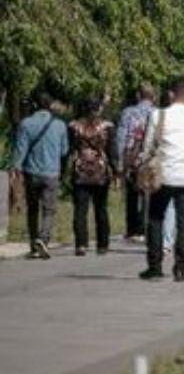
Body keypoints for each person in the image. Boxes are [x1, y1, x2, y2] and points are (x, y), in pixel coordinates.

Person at [138, 79, 184, 282]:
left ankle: (155, 265)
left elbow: (148, 144)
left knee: (156, 218)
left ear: (170, 94)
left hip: (163, 175)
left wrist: (143, 162)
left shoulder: (158, 115)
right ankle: (181, 267)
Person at [10, 90, 70, 259]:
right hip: (51, 173)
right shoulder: (60, 125)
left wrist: (15, 168)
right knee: (49, 210)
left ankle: (33, 246)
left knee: (33, 210)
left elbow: (20, 150)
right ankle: (43, 239)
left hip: (32, 172)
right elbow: (64, 150)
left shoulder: (25, 124)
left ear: (34, 105)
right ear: (50, 105)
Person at [68, 97, 116, 256]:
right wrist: (115, 171)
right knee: (101, 208)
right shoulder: (107, 127)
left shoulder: (74, 126)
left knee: (80, 210)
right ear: (99, 109)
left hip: (80, 171)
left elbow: (70, 149)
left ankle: (81, 244)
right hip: (100, 173)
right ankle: (103, 245)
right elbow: (112, 151)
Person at [115, 84, 156, 242]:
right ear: (153, 96)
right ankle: (145, 229)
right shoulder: (158, 113)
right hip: (149, 158)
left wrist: (120, 161)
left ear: (139, 95)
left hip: (130, 158)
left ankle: (132, 229)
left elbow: (121, 137)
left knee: (132, 195)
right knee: (148, 194)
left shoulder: (127, 112)